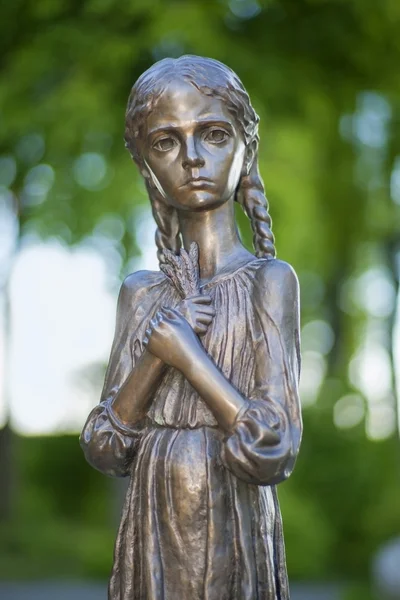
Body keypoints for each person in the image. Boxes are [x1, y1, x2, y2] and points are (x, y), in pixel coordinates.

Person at [80, 55, 302, 600]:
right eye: (166, 143)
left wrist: (188, 357)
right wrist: (155, 355)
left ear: (247, 149)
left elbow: (272, 448)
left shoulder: (267, 282)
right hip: (151, 523)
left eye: (214, 134)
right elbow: (106, 447)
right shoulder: (141, 293)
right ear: (145, 165)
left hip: (235, 519)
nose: (193, 158)